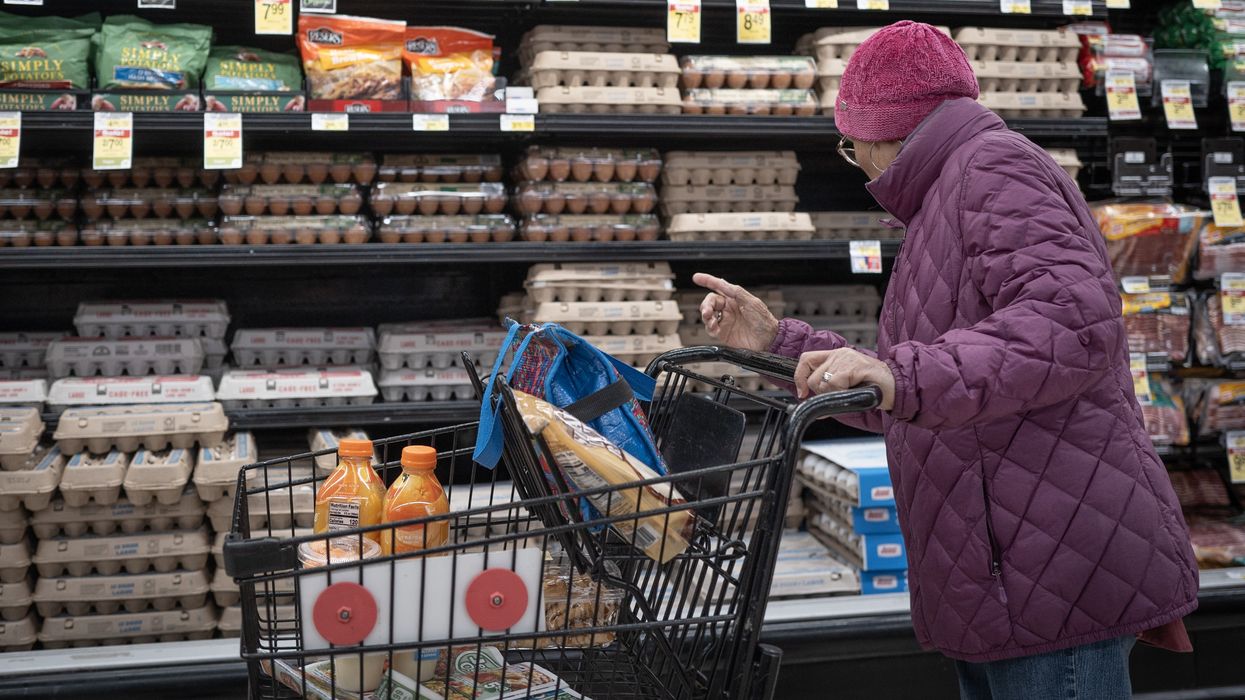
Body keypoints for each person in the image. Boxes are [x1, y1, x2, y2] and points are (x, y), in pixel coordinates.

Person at [695, 20, 1199, 700]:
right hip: (999, 568)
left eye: (851, 147)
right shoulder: (951, 193)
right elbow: (920, 397)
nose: (859, 165)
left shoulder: (993, 169)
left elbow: (1071, 324)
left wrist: (900, 376)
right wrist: (777, 345)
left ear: (882, 133)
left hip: (1046, 568)